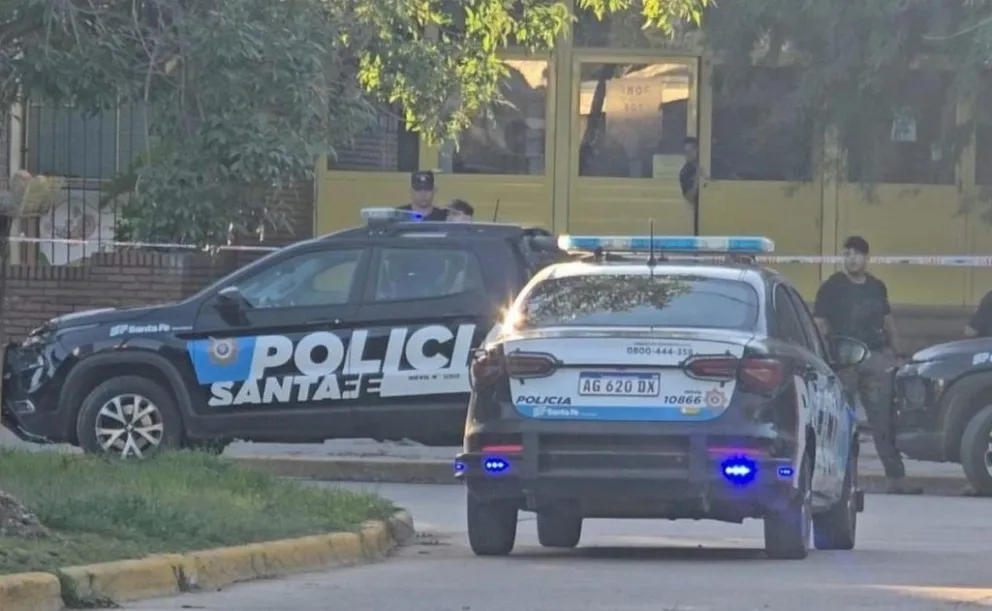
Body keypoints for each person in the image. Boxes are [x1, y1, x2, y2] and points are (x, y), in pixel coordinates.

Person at [813, 235, 923, 494]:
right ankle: (843, 478)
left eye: (856, 253)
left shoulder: (876, 287)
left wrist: (899, 353)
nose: (851, 258)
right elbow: (820, 323)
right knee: (843, 422)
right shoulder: (832, 287)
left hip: (875, 358)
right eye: (847, 253)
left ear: (866, 258)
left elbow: (888, 321)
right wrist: (825, 354)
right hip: (844, 361)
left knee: (883, 420)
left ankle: (896, 478)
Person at [679, 137, 699, 209]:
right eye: (686, 152)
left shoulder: (712, 163)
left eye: (691, 151)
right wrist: (697, 181)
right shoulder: (685, 172)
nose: (688, 154)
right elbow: (690, 198)